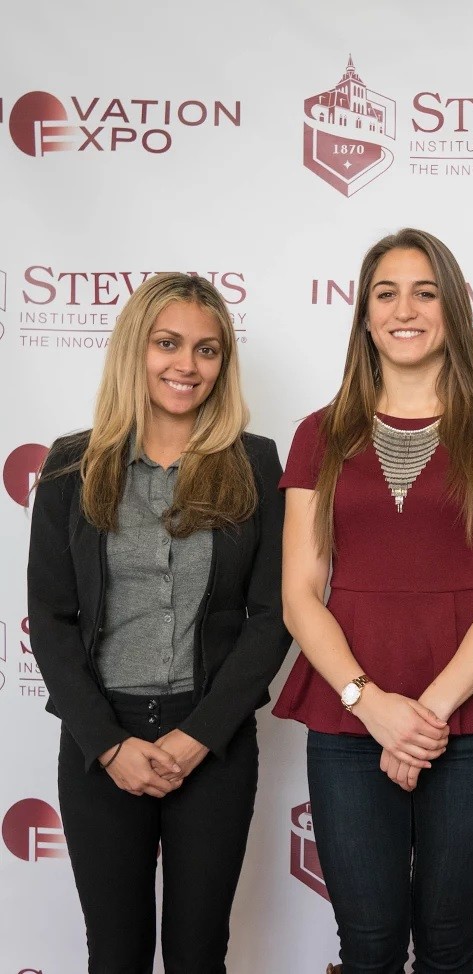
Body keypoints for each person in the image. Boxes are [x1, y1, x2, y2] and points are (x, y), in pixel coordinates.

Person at [274, 228, 473, 974]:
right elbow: (300, 594)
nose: (405, 309)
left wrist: (422, 718)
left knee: (448, 948)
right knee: (366, 948)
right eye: (386, 292)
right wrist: (372, 705)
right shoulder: (318, 434)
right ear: (363, 315)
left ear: (453, 309)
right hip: (347, 717)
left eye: (426, 292)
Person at [28, 272, 289, 973]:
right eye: (168, 343)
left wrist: (199, 736)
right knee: (115, 954)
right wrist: (109, 745)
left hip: (213, 741)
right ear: (133, 351)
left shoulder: (255, 463)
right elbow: (50, 619)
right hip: (101, 741)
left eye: (207, 350)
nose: (187, 365)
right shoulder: (70, 465)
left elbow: (272, 617)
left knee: (199, 954)